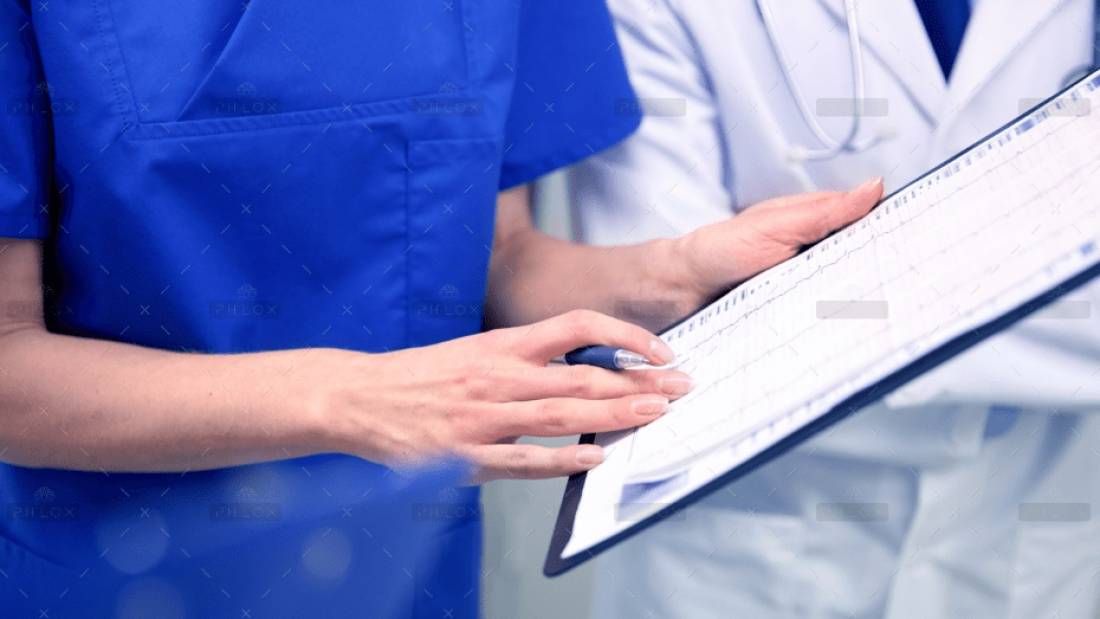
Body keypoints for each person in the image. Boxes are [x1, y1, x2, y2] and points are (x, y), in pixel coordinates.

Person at [0, 0, 881, 616]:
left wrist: (678, 268)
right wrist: (355, 400)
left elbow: (504, 261)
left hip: (407, 565)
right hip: (122, 570)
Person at [569, 0, 1100, 617]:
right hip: (753, 540)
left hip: (1025, 521)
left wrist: (808, 310)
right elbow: (666, 341)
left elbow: (728, 332)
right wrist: (1029, 275)